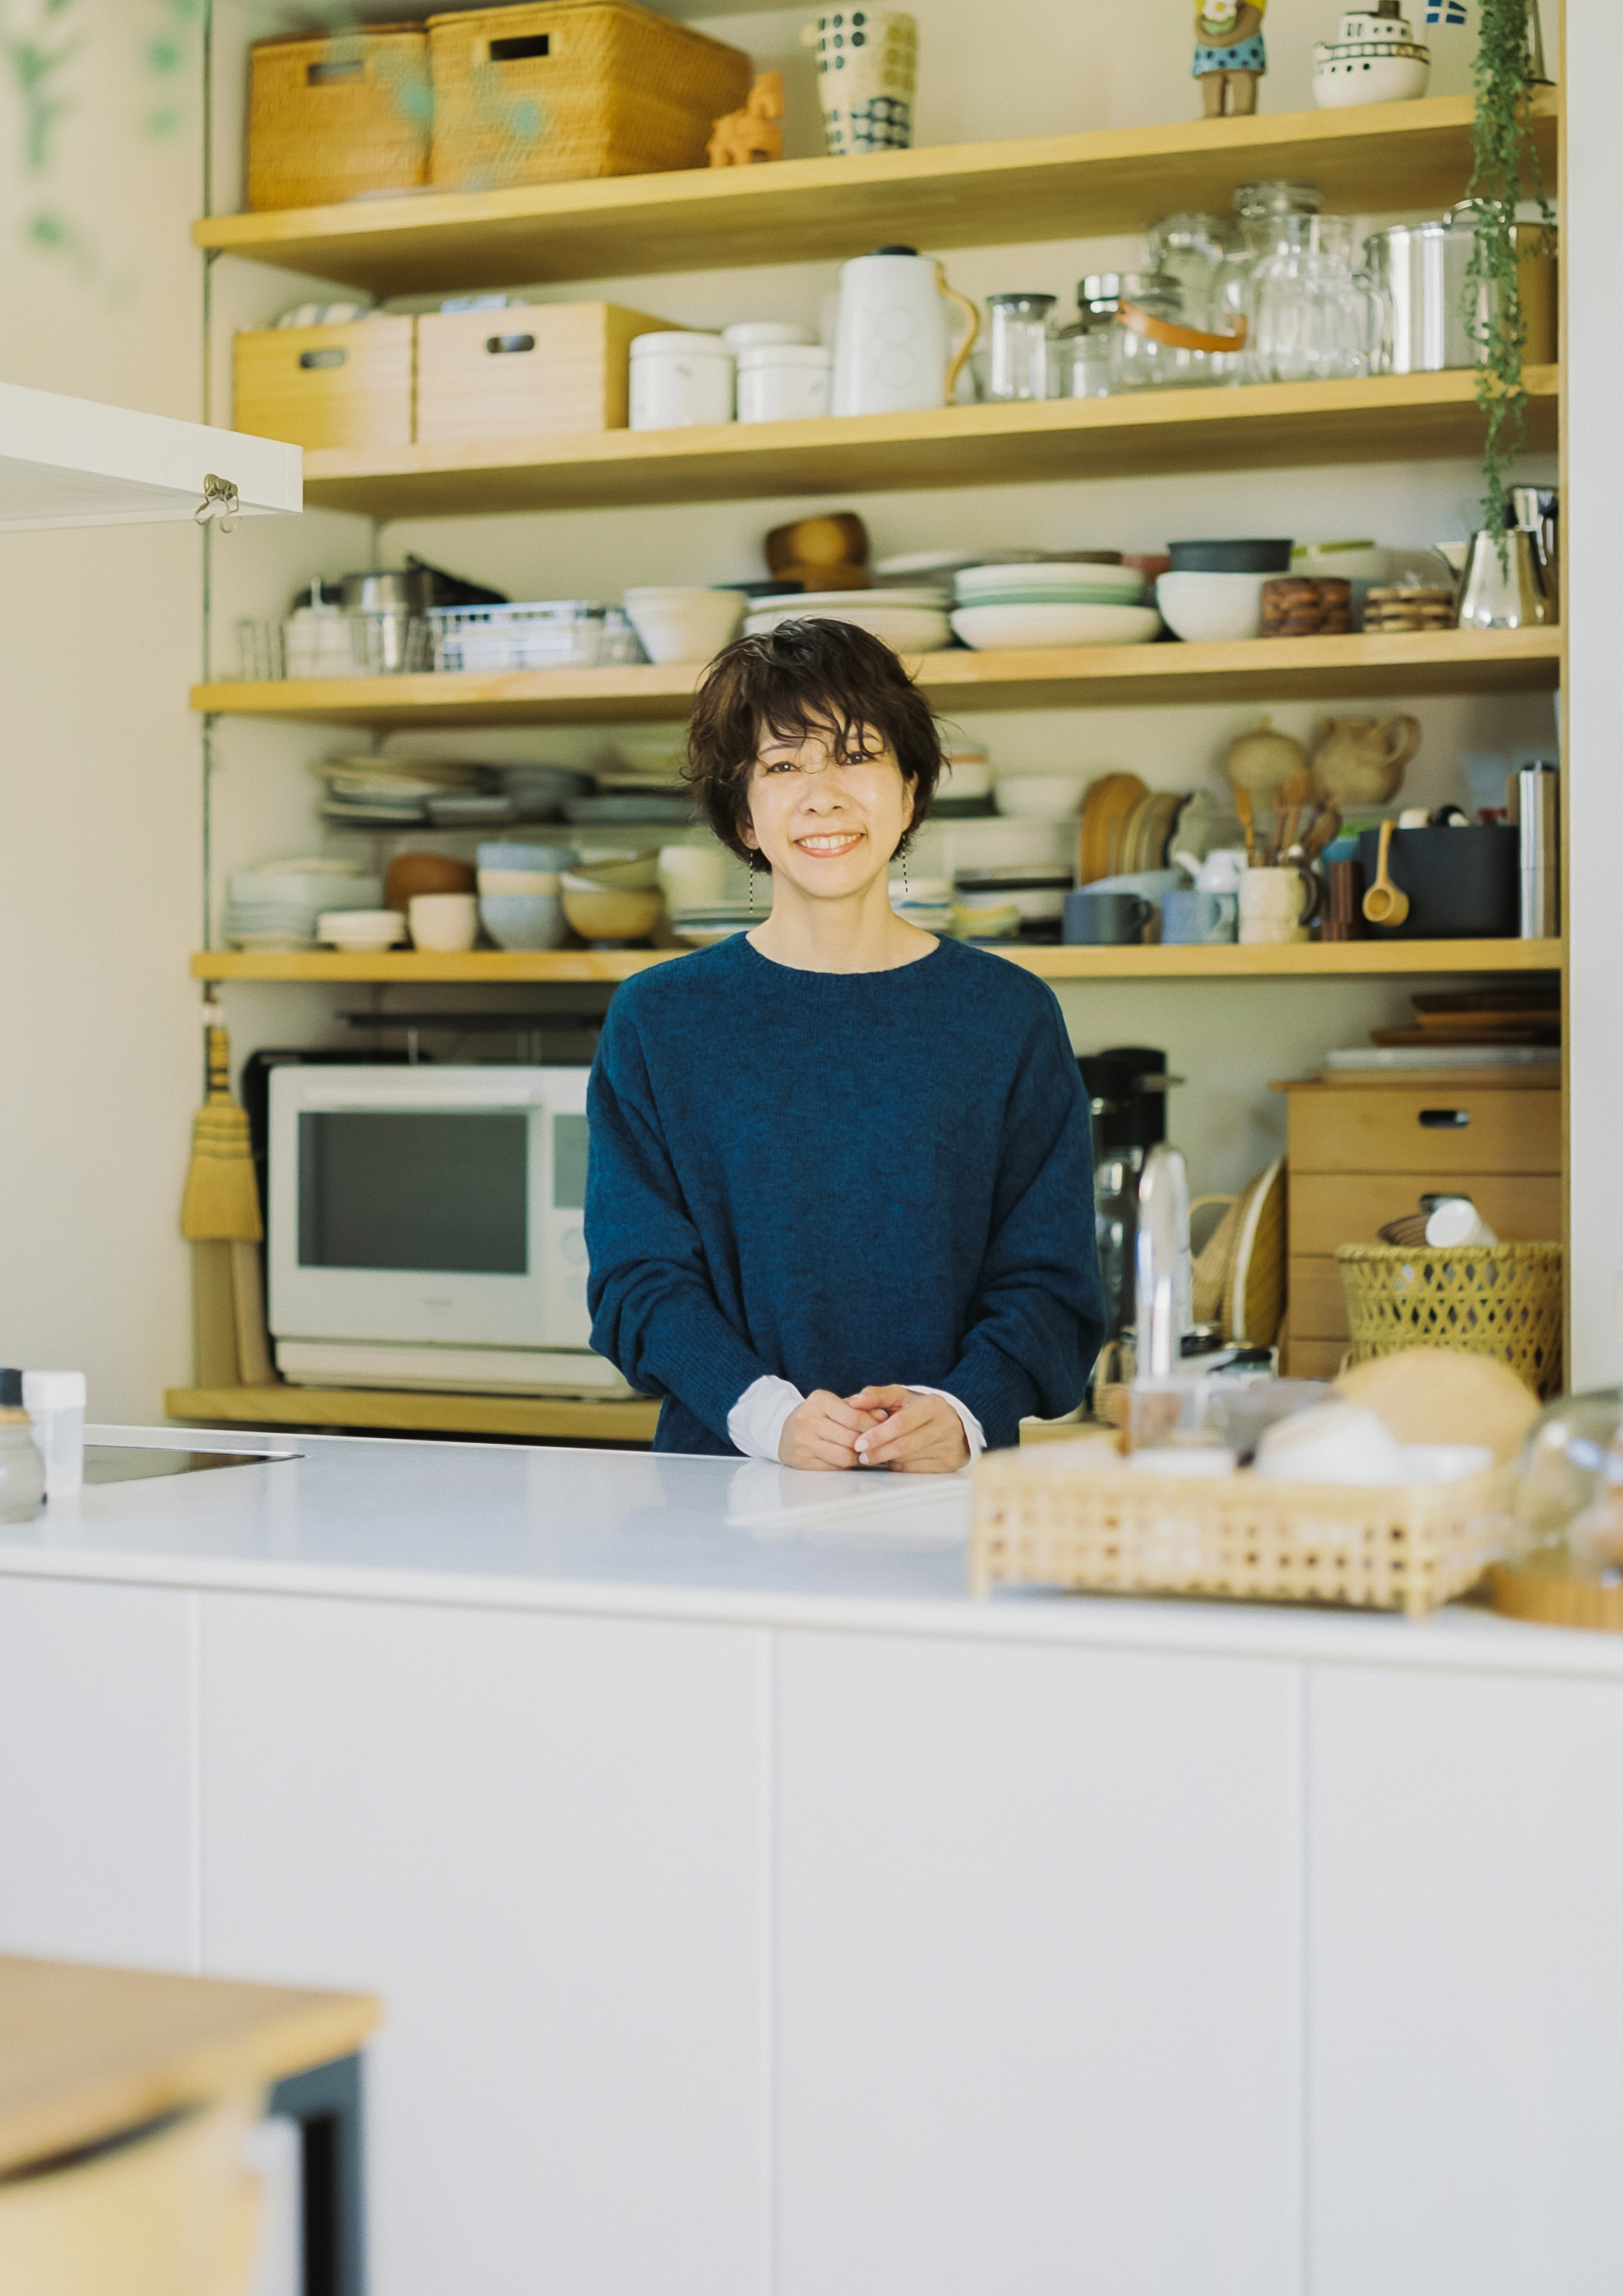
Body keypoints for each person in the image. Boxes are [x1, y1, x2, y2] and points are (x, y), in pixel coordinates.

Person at [583, 620, 1105, 1471]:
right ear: (743, 815)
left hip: (947, 1494)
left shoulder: (1009, 1016)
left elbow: (1053, 1285)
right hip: (722, 1490)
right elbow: (638, 1284)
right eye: (783, 766)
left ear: (909, 790)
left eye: (857, 756)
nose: (822, 796)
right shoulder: (658, 1020)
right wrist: (768, 1416)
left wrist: (964, 1407)